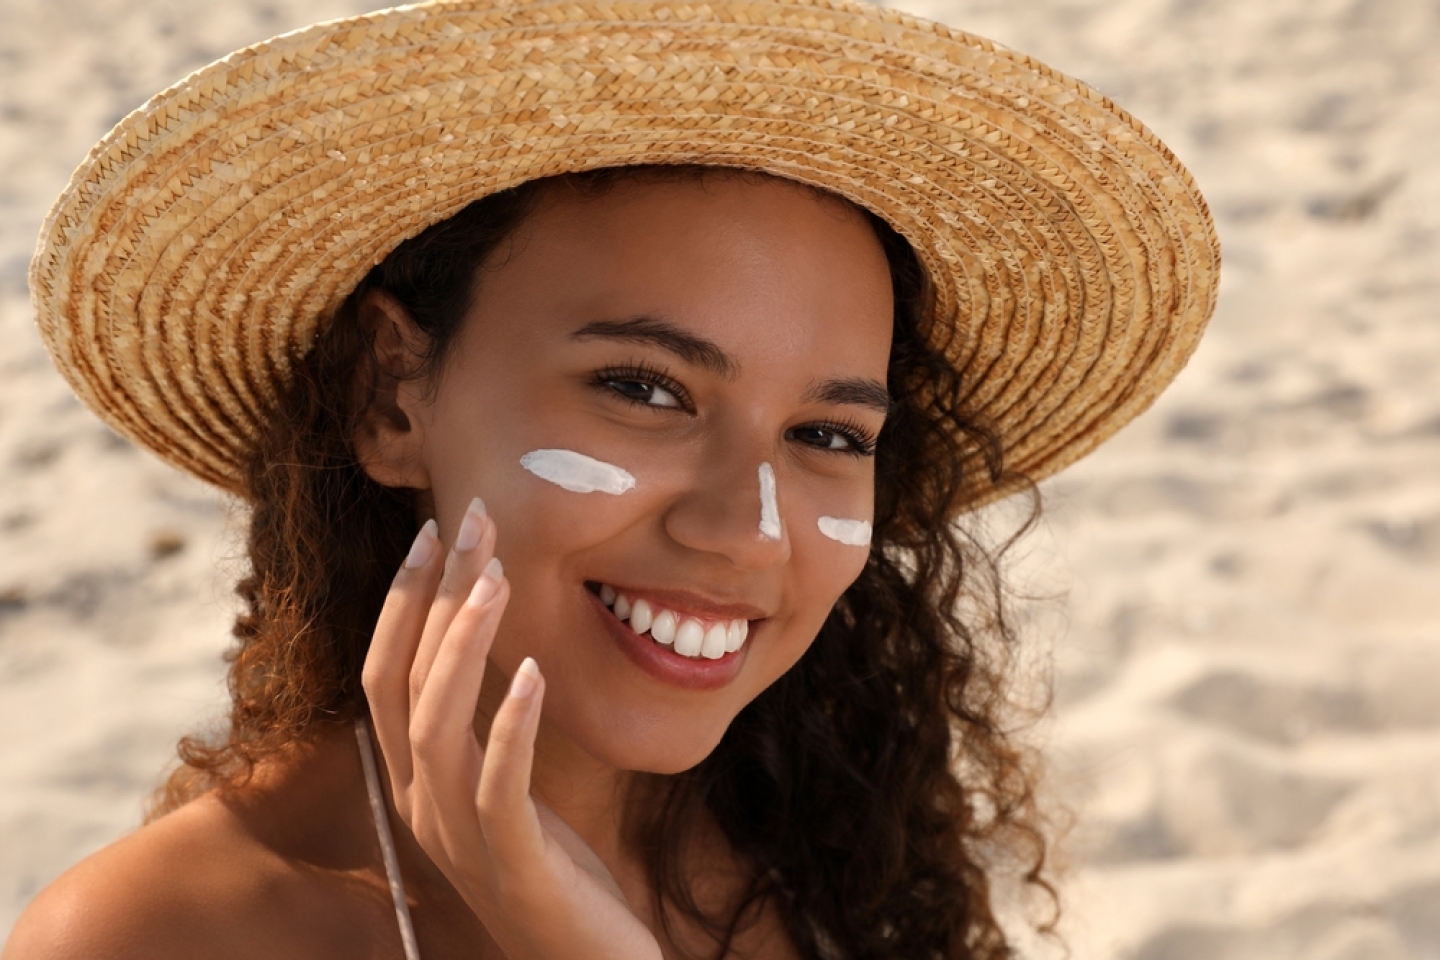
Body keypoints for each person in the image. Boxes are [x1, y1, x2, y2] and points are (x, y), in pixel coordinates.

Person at [7, 0, 1219, 957]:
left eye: (829, 436)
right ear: (390, 396)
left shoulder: (830, 851)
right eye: (646, 389)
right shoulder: (158, 939)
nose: (747, 532)